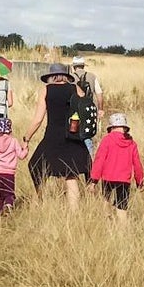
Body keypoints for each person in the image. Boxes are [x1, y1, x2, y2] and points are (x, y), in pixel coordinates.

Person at [24, 60, 92, 203]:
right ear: (65, 75)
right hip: (73, 134)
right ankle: (75, 213)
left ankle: (39, 200)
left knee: (36, 166)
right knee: (71, 173)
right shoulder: (76, 89)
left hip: (52, 136)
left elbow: (38, 120)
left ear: (51, 76)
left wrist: (26, 138)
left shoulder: (47, 90)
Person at [90, 111, 144, 220]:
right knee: (122, 208)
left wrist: (94, 180)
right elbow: (137, 165)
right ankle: (122, 232)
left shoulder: (107, 140)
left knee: (105, 202)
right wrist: (140, 182)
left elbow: (99, 160)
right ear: (125, 128)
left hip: (108, 178)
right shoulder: (132, 143)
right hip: (124, 180)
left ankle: (106, 224)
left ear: (111, 127)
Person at [0, 116, 27, 215]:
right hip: (9, 173)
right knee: (9, 193)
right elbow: (21, 156)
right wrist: (25, 149)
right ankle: (8, 206)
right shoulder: (14, 141)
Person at [69, 55, 104, 153]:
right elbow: (99, 93)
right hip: (89, 110)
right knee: (87, 134)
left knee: (73, 131)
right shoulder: (92, 76)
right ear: (83, 66)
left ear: (74, 66)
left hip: (74, 110)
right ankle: (89, 158)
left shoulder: (70, 77)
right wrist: (100, 109)